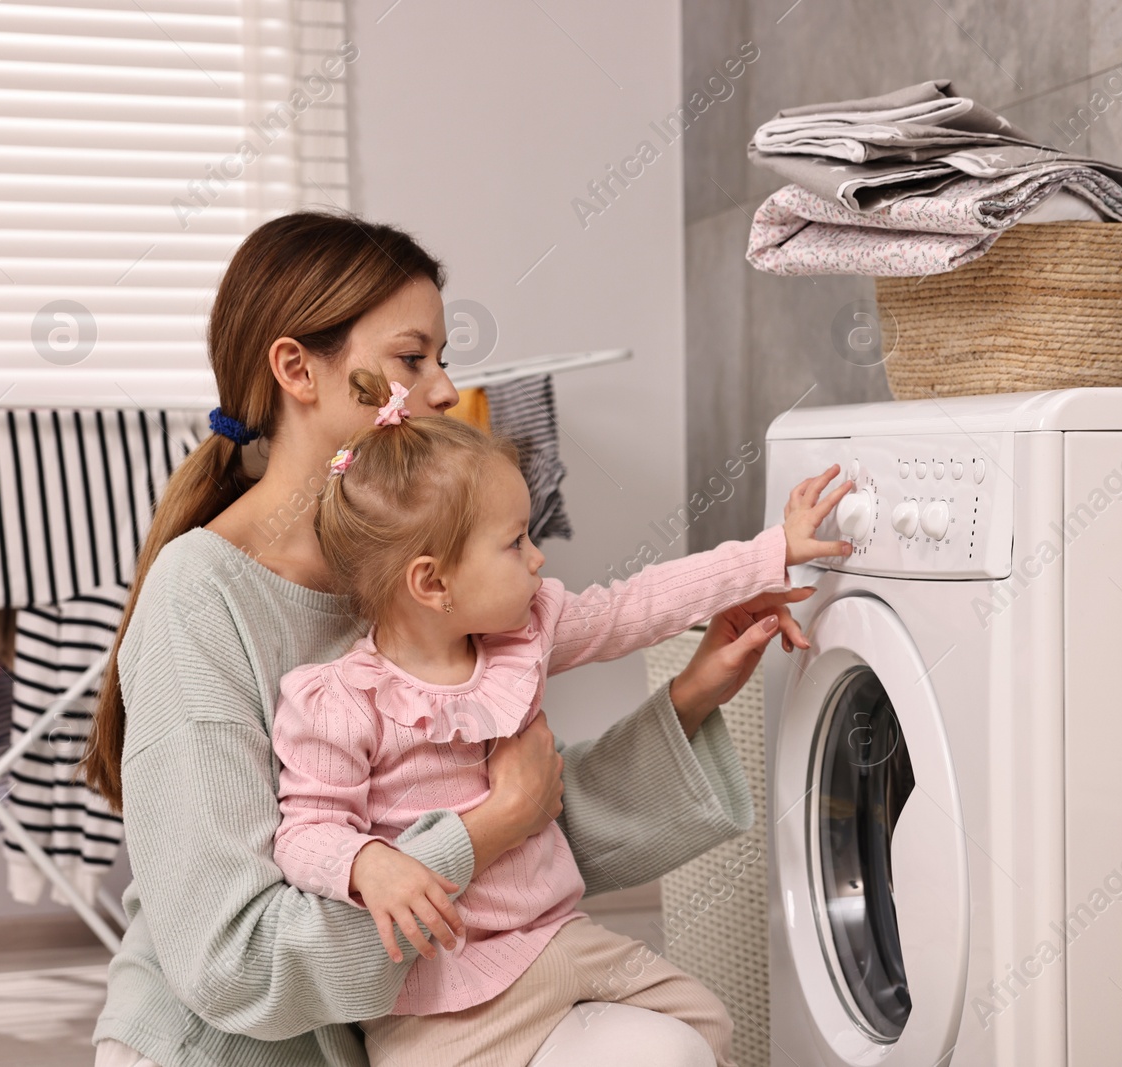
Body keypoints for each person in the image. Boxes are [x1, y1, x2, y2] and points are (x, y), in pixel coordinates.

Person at [83, 211, 827, 1067]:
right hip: (227, 1046)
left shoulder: (405, 572)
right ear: (297, 369)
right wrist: (483, 830)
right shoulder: (202, 596)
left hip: (417, 1011)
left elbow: (509, 825)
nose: (442, 389)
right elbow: (234, 960)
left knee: (675, 1048)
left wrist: (694, 691)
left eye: (443, 359)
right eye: (410, 359)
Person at [268, 370, 852, 1067]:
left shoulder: (525, 635)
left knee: (708, 1027)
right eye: (515, 543)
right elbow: (305, 830)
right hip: (443, 1000)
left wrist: (768, 553)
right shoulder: (337, 699)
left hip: (560, 940)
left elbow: (634, 605)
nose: (538, 557)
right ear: (432, 582)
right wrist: (369, 863)